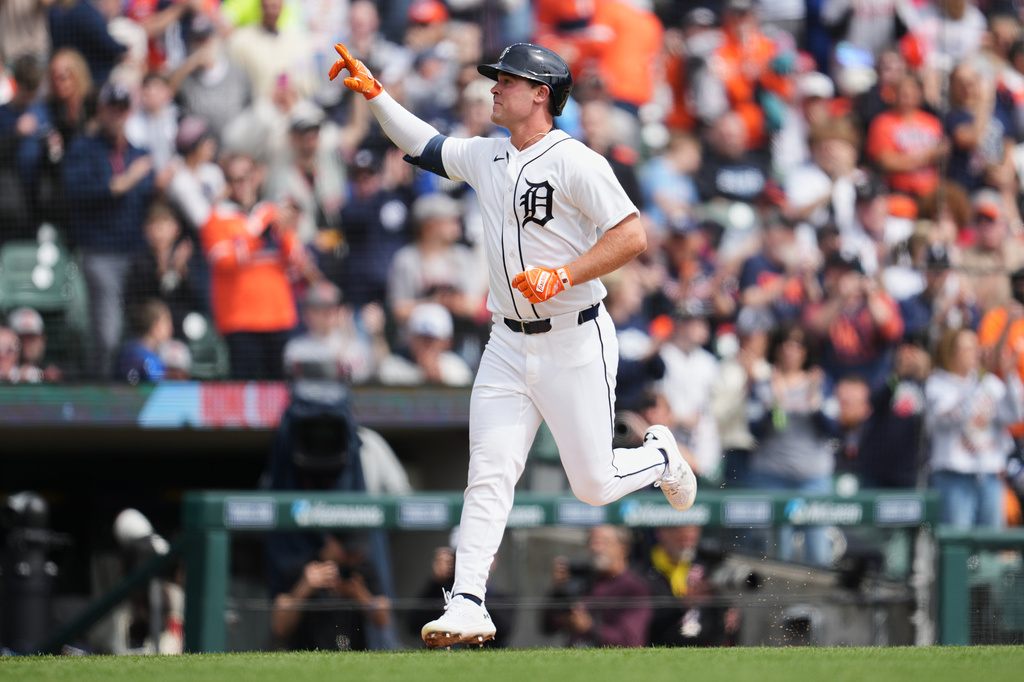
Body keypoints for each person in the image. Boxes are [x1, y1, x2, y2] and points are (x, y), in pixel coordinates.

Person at [328, 41, 696, 648]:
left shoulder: (576, 161)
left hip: (574, 338)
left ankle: (659, 457)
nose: (494, 88)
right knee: (490, 473)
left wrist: (565, 274)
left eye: (507, 80)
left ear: (540, 94)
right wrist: (376, 94)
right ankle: (468, 601)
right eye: (495, 79)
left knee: (594, 485)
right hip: (506, 341)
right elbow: (423, 146)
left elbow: (631, 236)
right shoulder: (488, 155)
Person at [63, 80, 156, 379]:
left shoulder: (139, 151)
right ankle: (98, 396)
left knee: (144, 329)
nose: (116, 115)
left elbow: (149, 198)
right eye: (111, 108)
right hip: (100, 252)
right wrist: (121, 184)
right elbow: (76, 191)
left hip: (138, 254)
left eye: (122, 109)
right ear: (100, 109)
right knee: (108, 332)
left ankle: (136, 391)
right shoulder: (83, 148)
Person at [201, 152, 312, 380]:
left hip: (278, 315)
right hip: (239, 319)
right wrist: (259, 234)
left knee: (279, 389)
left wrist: (282, 234)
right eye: (233, 180)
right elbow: (224, 261)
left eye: (244, 178)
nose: (240, 185)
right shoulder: (216, 218)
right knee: (245, 389)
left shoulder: (272, 212)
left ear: (256, 177)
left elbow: (297, 261)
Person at [925, 327, 1023, 528]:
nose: (976, 353)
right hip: (954, 476)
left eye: (976, 347)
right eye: (968, 348)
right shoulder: (937, 384)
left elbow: (1014, 415)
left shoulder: (989, 382)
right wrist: (976, 384)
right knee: (959, 544)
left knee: (990, 543)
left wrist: (1010, 374)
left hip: (989, 475)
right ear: (952, 352)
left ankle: (984, 563)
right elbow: (950, 417)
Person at [270, 532, 392, 651]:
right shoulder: (301, 569)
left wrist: (360, 595)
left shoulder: (363, 568)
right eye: (348, 551)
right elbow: (279, 628)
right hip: (306, 652)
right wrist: (303, 590)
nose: (354, 556)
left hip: (352, 654)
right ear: (330, 541)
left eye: (358, 552)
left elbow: (384, 620)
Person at [541, 525, 651, 648]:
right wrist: (558, 589)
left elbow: (630, 641)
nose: (596, 548)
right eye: (591, 542)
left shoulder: (634, 587)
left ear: (624, 547)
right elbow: (548, 626)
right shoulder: (583, 580)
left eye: (603, 542)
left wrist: (589, 627)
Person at [640, 525, 740, 648]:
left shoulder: (708, 566)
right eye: (679, 529)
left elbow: (718, 617)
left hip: (704, 653)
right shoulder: (642, 570)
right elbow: (642, 624)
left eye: (694, 529)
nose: (688, 535)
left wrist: (727, 618)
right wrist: (681, 606)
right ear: (661, 532)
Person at [377, 302, 473, 387]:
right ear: (410, 339)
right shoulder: (392, 368)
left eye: (433, 340)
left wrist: (439, 378)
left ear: (447, 342)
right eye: (421, 338)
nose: (426, 345)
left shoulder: (458, 370)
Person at [114, 298, 174, 383]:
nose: (171, 329)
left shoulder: (128, 351)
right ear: (156, 326)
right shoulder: (144, 359)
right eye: (167, 322)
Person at [7, 306, 63, 383]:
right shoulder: (5, 373)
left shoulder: (61, 370)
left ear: (42, 338)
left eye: (32, 338)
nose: (27, 344)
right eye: (22, 338)